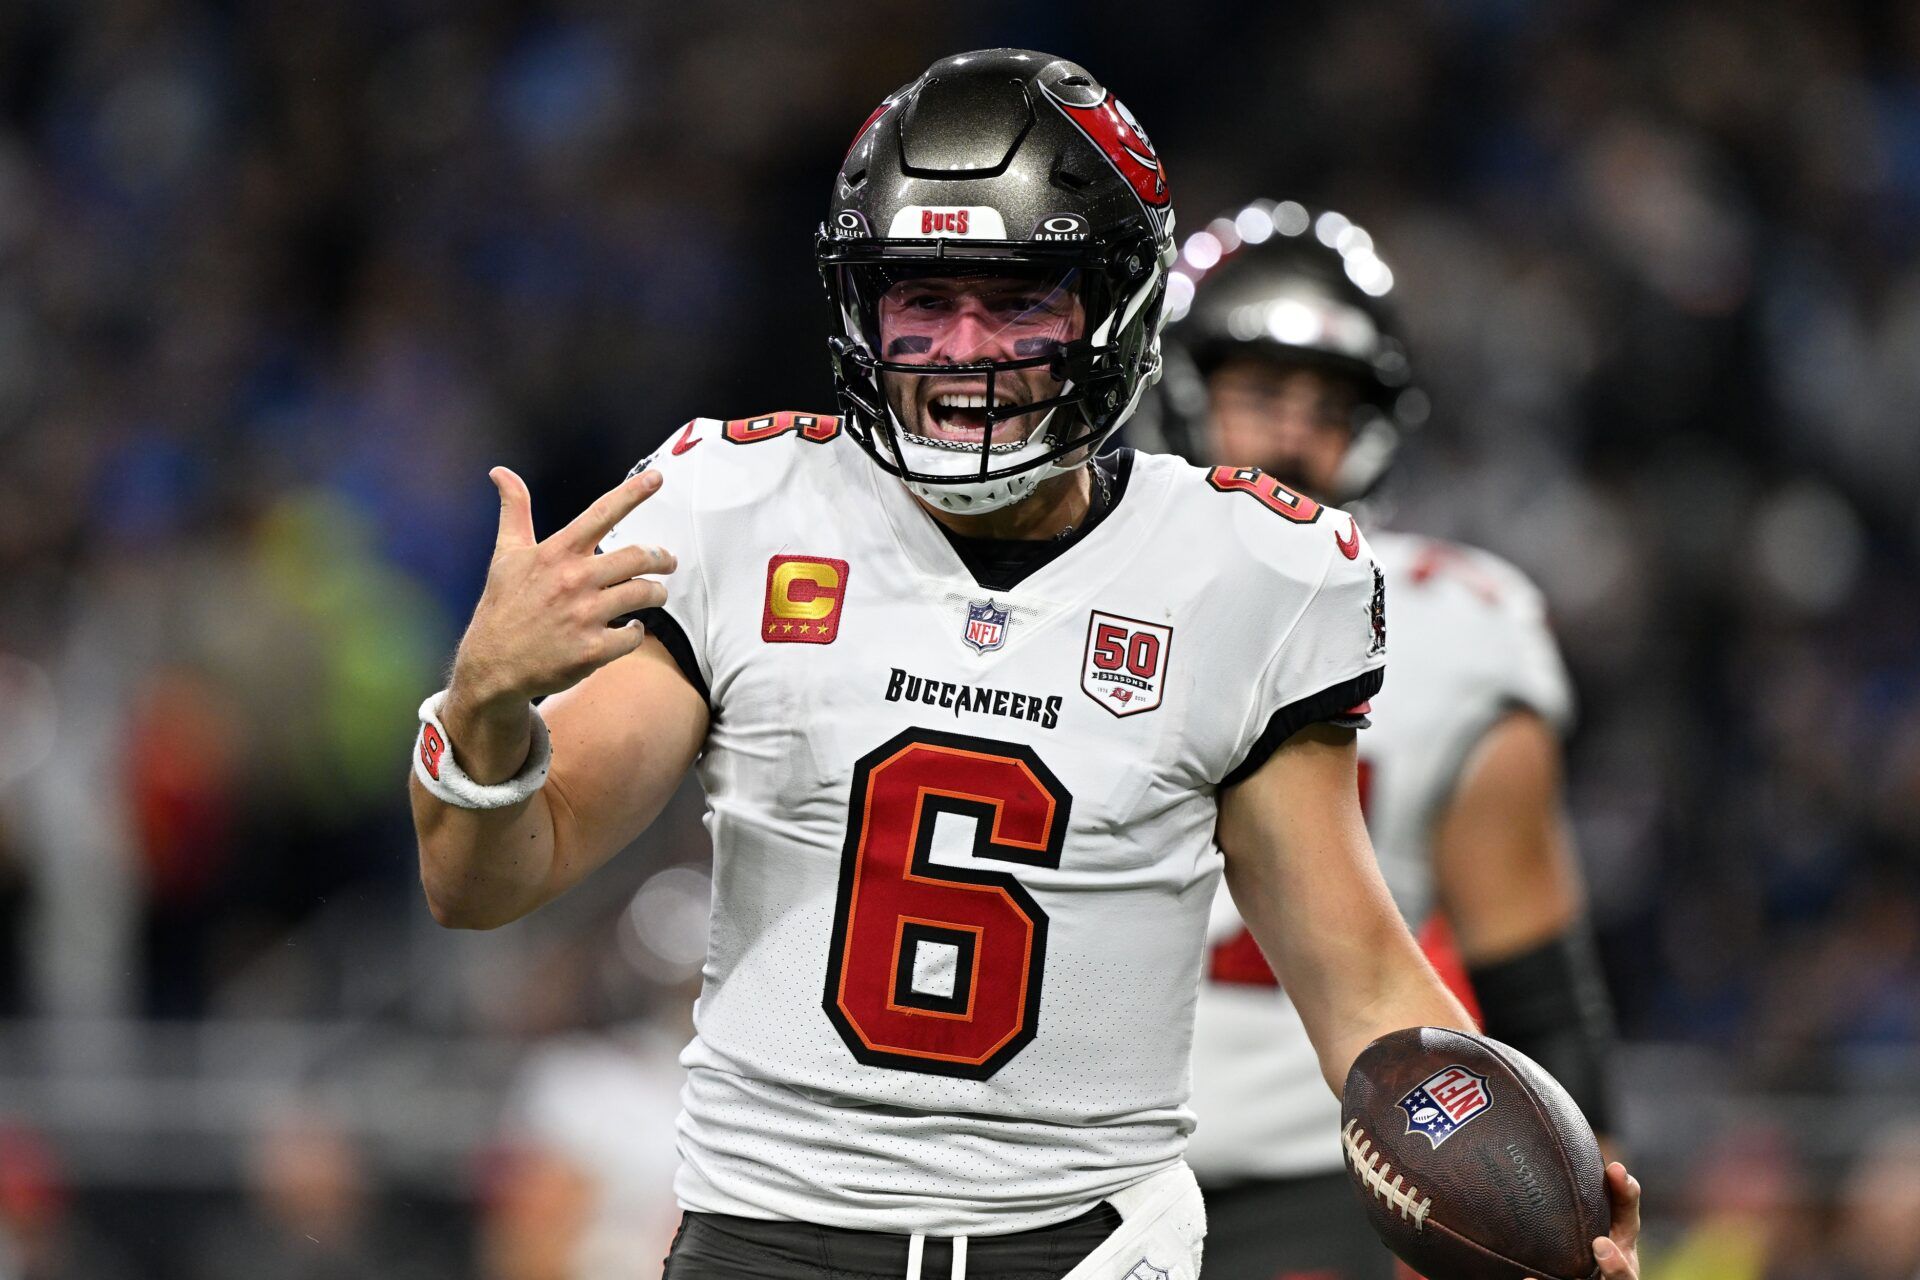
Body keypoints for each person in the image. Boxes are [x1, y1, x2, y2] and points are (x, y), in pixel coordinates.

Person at [411, 53, 1643, 1280]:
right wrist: (486, 707)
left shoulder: (1241, 571)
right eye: (921, 296)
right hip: (768, 1236)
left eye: (1017, 302)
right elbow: (483, 879)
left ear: (1115, 309)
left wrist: (1548, 1221)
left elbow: (1364, 989)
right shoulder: (739, 507)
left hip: (1082, 1249)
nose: (963, 349)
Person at [1154, 201, 1621, 1280]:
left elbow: (1537, 987)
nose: (1290, 437)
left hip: (1331, 1181)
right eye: (1261, 394)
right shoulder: (1072, 586)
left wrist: (1581, 1217)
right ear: (1181, 385)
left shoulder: (1458, 631)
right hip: (1075, 1161)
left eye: (1328, 405)